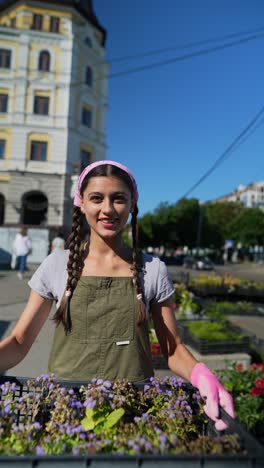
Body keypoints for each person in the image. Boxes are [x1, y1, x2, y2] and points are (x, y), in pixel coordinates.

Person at [0, 160, 234, 430]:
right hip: (65, 411)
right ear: (82, 203)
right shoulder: (56, 265)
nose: (107, 209)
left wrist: (200, 373)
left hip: (134, 412)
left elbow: (172, 350)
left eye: (118, 199)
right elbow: (19, 341)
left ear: (132, 204)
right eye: (96, 198)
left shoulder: (153, 270)